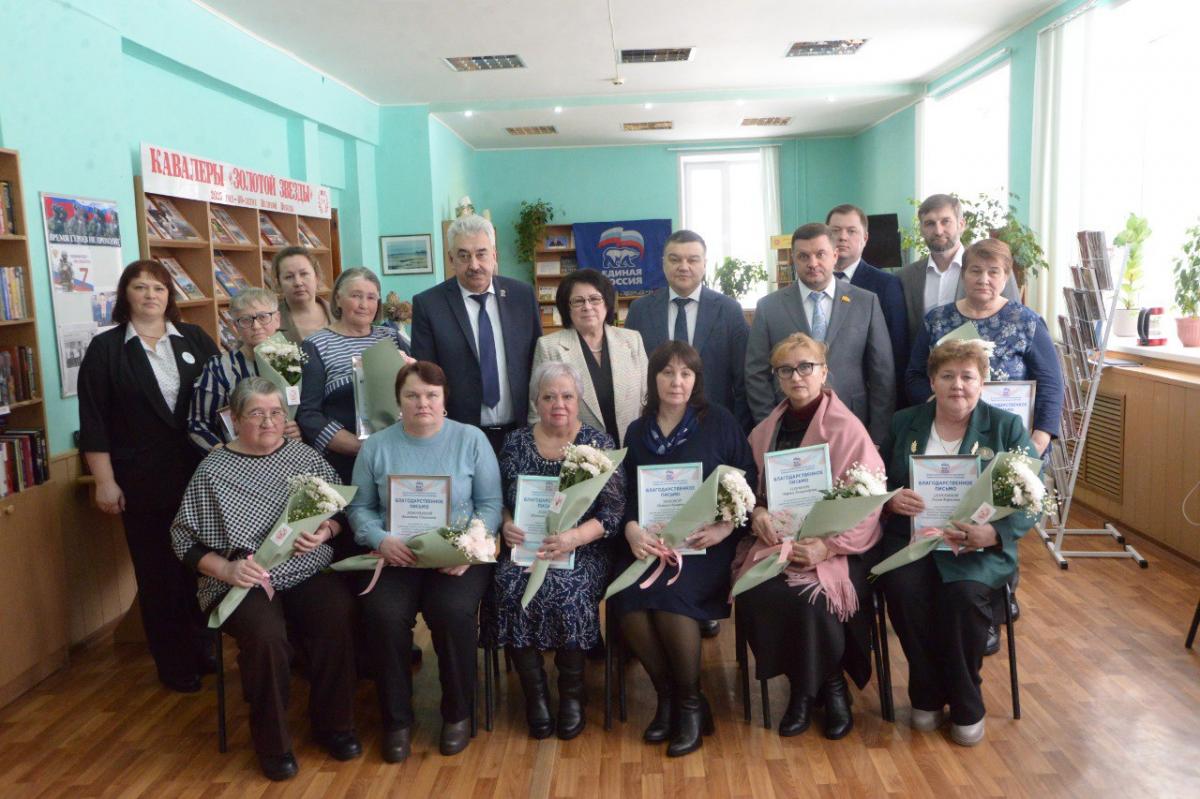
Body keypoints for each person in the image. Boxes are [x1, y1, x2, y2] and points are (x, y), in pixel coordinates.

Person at [170, 378, 360, 781]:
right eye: (256, 413)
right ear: (235, 419)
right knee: (266, 637)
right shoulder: (213, 470)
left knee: (336, 614)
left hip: (305, 567)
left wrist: (325, 531)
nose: (268, 421)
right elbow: (182, 539)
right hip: (242, 576)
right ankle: (273, 744)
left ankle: (335, 725)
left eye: (276, 412)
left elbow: (342, 511)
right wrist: (226, 570)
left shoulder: (304, 456)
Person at [874, 339, 1040, 747]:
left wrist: (995, 533)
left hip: (976, 546)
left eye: (968, 376)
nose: (957, 385)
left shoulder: (1005, 427)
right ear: (932, 381)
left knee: (963, 596)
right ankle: (926, 690)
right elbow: (877, 482)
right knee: (902, 588)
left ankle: (967, 698)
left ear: (982, 382)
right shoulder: (904, 422)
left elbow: (1034, 497)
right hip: (913, 539)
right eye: (947, 376)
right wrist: (891, 499)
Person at [731, 333, 884, 740]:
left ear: (824, 372)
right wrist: (758, 513)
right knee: (758, 591)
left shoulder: (848, 429)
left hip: (838, 547)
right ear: (777, 377)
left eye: (805, 367)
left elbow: (869, 502)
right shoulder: (765, 430)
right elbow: (750, 494)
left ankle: (828, 689)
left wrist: (826, 547)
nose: (796, 376)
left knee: (812, 599)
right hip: (778, 543)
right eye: (786, 370)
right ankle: (807, 686)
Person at [347, 361, 502, 762]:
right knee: (383, 615)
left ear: (444, 398)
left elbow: (490, 505)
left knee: (452, 613)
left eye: (431, 395)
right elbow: (359, 508)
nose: (422, 403)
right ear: (398, 401)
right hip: (396, 557)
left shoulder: (470, 439)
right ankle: (396, 721)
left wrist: (469, 548)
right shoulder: (376, 446)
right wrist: (380, 539)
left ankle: (458, 714)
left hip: (457, 559)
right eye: (412, 395)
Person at [608, 341, 757, 757]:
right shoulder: (638, 431)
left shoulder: (719, 422)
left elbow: (746, 479)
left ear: (696, 380)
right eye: (667, 372)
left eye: (686, 373)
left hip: (703, 544)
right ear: (653, 378)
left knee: (671, 601)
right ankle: (670, 698)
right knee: (627, 600)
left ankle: (689, 705)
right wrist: (631, 529)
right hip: (651, 543)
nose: (677, 381)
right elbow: (625, 494)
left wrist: (725, 527)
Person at [78, 259, 219, 693]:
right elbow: (94, 422)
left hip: (200, 477)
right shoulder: (106, 350)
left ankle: (204, 648)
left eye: (158, 288)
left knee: (201, 567)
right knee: (158, 574)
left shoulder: (194, 338)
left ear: (169, 295)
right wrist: (104, 481)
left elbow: (222, 399)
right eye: (140, 287)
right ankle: (174, 663)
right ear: (125, 295)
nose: (150, 295)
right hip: (142, 482)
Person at [484, 361, 625, 740]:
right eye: (548, 397)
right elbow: (499, 499)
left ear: (578, 400)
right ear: (536, 402)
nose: (558, 404)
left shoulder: (598, 445)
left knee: (569, 592)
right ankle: (536, 696)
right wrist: (506, 522)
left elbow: (613, 513)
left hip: (583, 547)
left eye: (566, 396)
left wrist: (573, 538)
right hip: (525, 545)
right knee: (508, 586)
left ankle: (572, 696)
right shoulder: (515, 443)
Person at [905, 238, 1063, 456]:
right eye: (975, 271)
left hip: (1011, 440)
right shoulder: (937, 320)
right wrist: (943, 403)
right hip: (947, 439)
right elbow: (914, 376)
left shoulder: (1027, 322)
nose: (983, 279)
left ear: (1006, 277)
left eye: (993, 272)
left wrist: (1038, 442)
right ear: (963, 274)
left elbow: (1051, 384)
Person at [746, 223, 894, 443]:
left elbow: (882, 372)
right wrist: (770, 427)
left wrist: (878, 436)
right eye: (803, 256)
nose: (812, 263)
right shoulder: (769, 307)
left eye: (820, 254)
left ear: (834, 255)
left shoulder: (865, 302)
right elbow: (755, 373)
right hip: (788, 426)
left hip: (852, 424)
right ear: (794, 259)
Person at [410, 214, 542, 453]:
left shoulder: (522, 296)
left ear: (494, 255)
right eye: (463, 255)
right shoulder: (429, 305)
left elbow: (537, 360)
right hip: (458, 436)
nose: (474, 265)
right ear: (451, 259)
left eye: (481, 254)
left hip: (521, 433)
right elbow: (426, 376)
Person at [625, 229, 752, 431]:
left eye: (692, 260)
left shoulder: (729, 310)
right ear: (663, 263)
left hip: (715, 427)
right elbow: (631, 376)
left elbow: (744, 380)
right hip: (656, 427)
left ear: (704, 264)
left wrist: (736, 430)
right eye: (675, 259)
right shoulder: (640, 310)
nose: (683, 267)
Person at [296, 266, 412, 484]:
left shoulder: (393, 338)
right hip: (345, 459)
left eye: (371, 297)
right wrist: (360, 447)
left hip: (398, 453)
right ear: (338, 299)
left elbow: (418, 389)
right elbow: (309, 414)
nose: (364, 305)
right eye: (356, 296)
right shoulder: (316, 344)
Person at [528, 269, 646, 446]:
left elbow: (647, 398)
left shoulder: (632, 340)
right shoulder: (549, 347)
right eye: (578, 301)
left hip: (632, 448)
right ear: (567, 307)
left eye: (594, 299)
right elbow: (537, 411)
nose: (587, 307)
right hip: (575, 454)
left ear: (607, 303)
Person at [896, 194, 1021, 347]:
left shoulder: (994, 272)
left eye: (945, 221)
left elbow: (1015, 320)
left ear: (961, 224)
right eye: (930, 223)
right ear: (921, 229)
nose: (938, 231)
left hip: (985, 359)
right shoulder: (905, 277)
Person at [188, 288, 301, 450]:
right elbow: (198, 426)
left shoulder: (292, 361)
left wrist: (299, 428)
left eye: (263, 317)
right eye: (246, 320)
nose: (256, 326)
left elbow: (309, 412)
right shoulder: (220, 368)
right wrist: (228, 455)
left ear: (277, 319)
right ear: (235, 326)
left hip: (289, 453)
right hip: (238, 455)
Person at [826, 204, 909, 398]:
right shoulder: (813, 284)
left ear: (865, 238)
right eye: (835, 230)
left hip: (864, 398)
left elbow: (897, 349)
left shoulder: (886, 285)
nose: (842, 237)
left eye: (851, 231)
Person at [273, 246, 333, 343]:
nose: (298, 282)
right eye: (289, 277)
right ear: (278, 283)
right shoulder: (269, 322)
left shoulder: (340, 315)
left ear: (317, 277)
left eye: (304, 274)